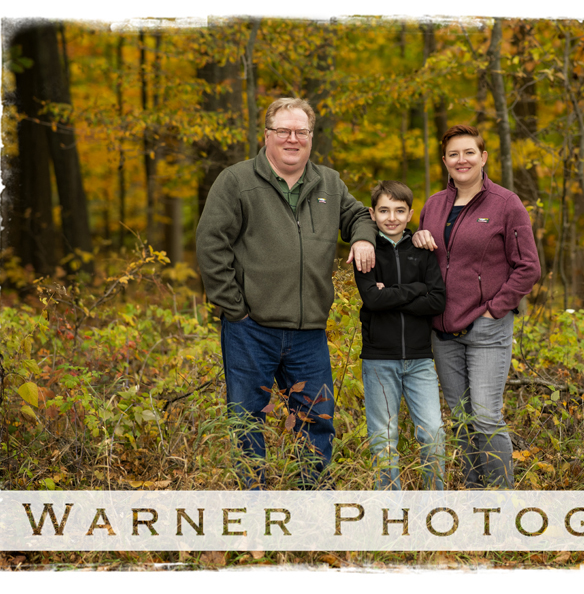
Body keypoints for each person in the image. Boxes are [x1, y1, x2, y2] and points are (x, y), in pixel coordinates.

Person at [196, 97, 377, 489]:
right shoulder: (237, 181)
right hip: (250, 329)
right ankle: (253, 507)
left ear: (311, 137)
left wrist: (363, 240)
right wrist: (235, 308)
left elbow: (360, 215)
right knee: (247, 421)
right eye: (284, 131)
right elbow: (211, 245)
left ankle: (310, 506)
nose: (292, 139)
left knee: (316, 420)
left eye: (301, 132)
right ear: (267, 136)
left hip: (308, 331)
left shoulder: (328, 182)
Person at [413, 124, 540, 489]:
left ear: (483, 157)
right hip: (443, 330)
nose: (462, 160)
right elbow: (425, 262)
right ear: (445, 161)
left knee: (485, 416)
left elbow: (528, 267)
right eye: (454, 154)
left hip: (486, 329)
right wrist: (418, 238)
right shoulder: (434, 205)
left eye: (469, 152)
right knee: (462, 419)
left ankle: (501, 502)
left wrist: (495, 309)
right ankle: (473, 493)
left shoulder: (505, 203)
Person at [354, 181, 447, 490]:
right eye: (383, 210)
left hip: (420, 360)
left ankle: (435, 502)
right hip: (379, 361)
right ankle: (390, 508)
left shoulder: (423, 251)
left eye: (399, 211)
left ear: (410, 215)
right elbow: (373, 300)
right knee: (384, 438)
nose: (391, 217)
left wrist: (394, 293)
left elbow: (436, 301)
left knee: (432, 432)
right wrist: (416, 290)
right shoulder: (366, 252)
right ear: (372, 213)